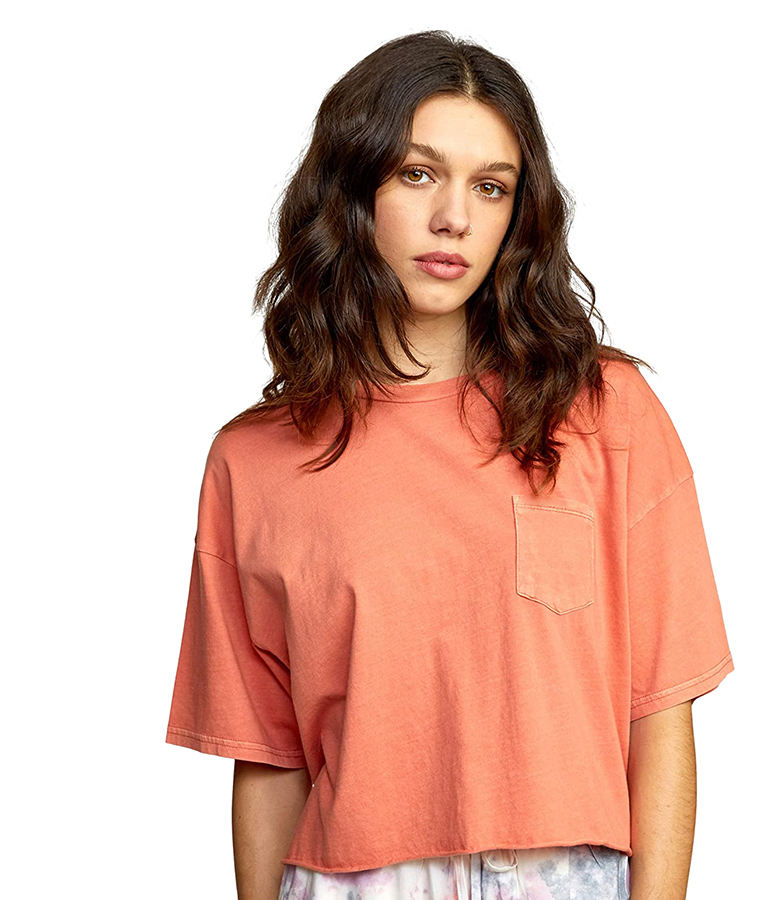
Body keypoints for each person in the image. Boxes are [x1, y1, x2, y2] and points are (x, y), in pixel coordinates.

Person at [165, 29, 734, 900]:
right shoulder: (254, 461)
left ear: (518, 215)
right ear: (352, 188)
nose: (454, 218)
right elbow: (271, 761)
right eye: (417, 173)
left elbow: (660, 714)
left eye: (490, 187)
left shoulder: (605, 412)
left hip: (565, 877)